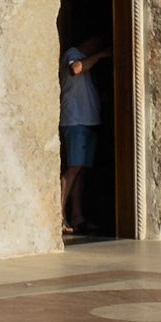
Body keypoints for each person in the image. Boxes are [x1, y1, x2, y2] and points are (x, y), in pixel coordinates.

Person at [59, 33, 109, 237]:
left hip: (89, 120)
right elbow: (75, 69)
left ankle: (78, 217)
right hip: (75, 121)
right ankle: (59, 215)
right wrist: (100, 55)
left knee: (82, 171)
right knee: (74, 168)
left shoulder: (89, 63)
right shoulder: (73, 54)